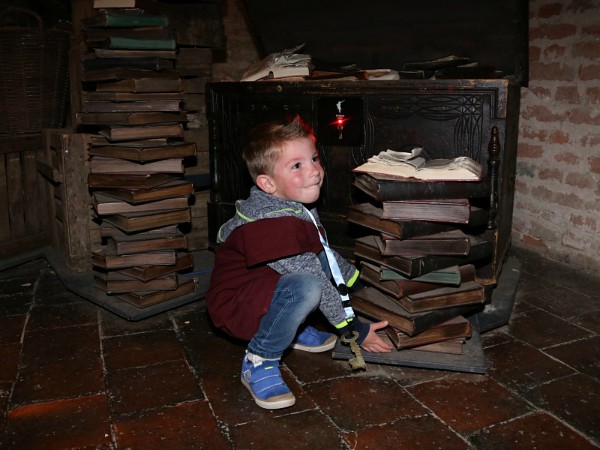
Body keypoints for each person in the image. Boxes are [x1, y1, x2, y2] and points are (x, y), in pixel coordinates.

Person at [205, 115, 392, 410]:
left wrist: (363, 282)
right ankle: (260, 359)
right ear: (267, 183)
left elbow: (323, 253)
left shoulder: (293, 205)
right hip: (237, 307)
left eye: (314, 158)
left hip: (265, 289)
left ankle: (290, 326)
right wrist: (353, 329)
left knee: (307, 275)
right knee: (307, 286)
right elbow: (313, 276)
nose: (315, 171)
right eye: (297, 165)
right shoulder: (271, 225)